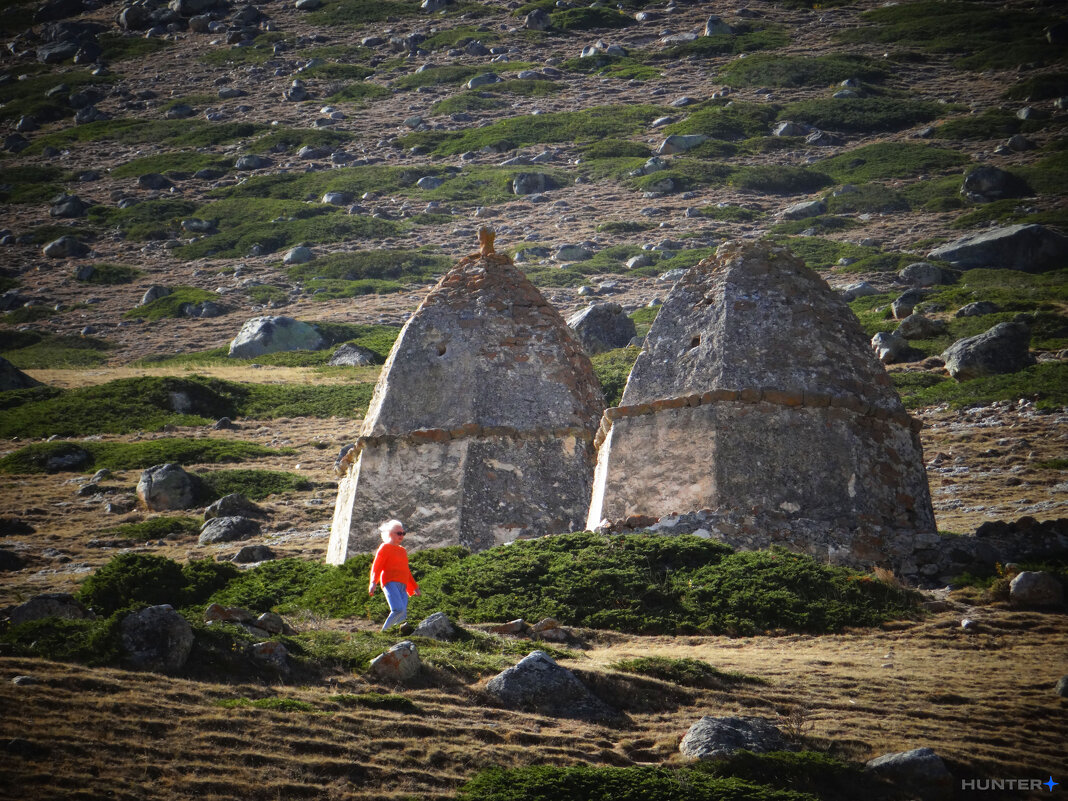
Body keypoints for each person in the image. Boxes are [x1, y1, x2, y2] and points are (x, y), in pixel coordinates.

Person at [368, 519, 420, 632]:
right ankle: (384, 632)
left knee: (402, 615)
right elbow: (377, 566)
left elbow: (406, 570)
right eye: (399, 533)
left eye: (403, 533)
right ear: (390, 534)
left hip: (403, 585)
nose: (402, 535)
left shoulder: (403, 551)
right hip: (390, 582)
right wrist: (373, 582)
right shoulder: (385, 547)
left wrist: (414, 587)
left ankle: (396, 636)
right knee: (398, 609)